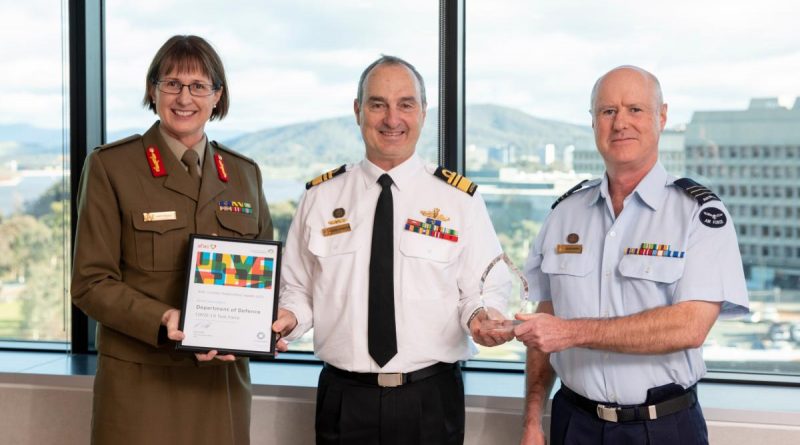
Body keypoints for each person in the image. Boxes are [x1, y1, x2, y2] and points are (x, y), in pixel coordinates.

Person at [272, 55, 512, 445]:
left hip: (430, 398)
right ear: (358, 110)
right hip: (344, 397)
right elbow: (298, 291)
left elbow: (481, 291)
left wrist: (482, 318)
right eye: (377, 104)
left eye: (405, 104)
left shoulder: (459, 199)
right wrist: (286, 320)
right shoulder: (320, 197)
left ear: (423, 112)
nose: (392, 118)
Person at [514, 66, 749, 445]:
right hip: (574, 423)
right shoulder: (563, 214)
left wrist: (570, 333)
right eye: (607, 111)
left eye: (635, 109)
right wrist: (531, 419)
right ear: (593, 122)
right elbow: (547, 319)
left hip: (662, 428)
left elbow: (690, 327)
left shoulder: (699, 214)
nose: (620, 122)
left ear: (662, 116)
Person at [71, 35, 272, 445]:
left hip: (221, 386)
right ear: (153, 90)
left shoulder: (244, 174)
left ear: (217, 96)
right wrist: (163, 319)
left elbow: (263, 279)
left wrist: (268, 322)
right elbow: (91, 283)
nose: (185, 98)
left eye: (199, 86)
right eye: (172, 84)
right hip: (141, 384)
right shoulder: (112, 167)